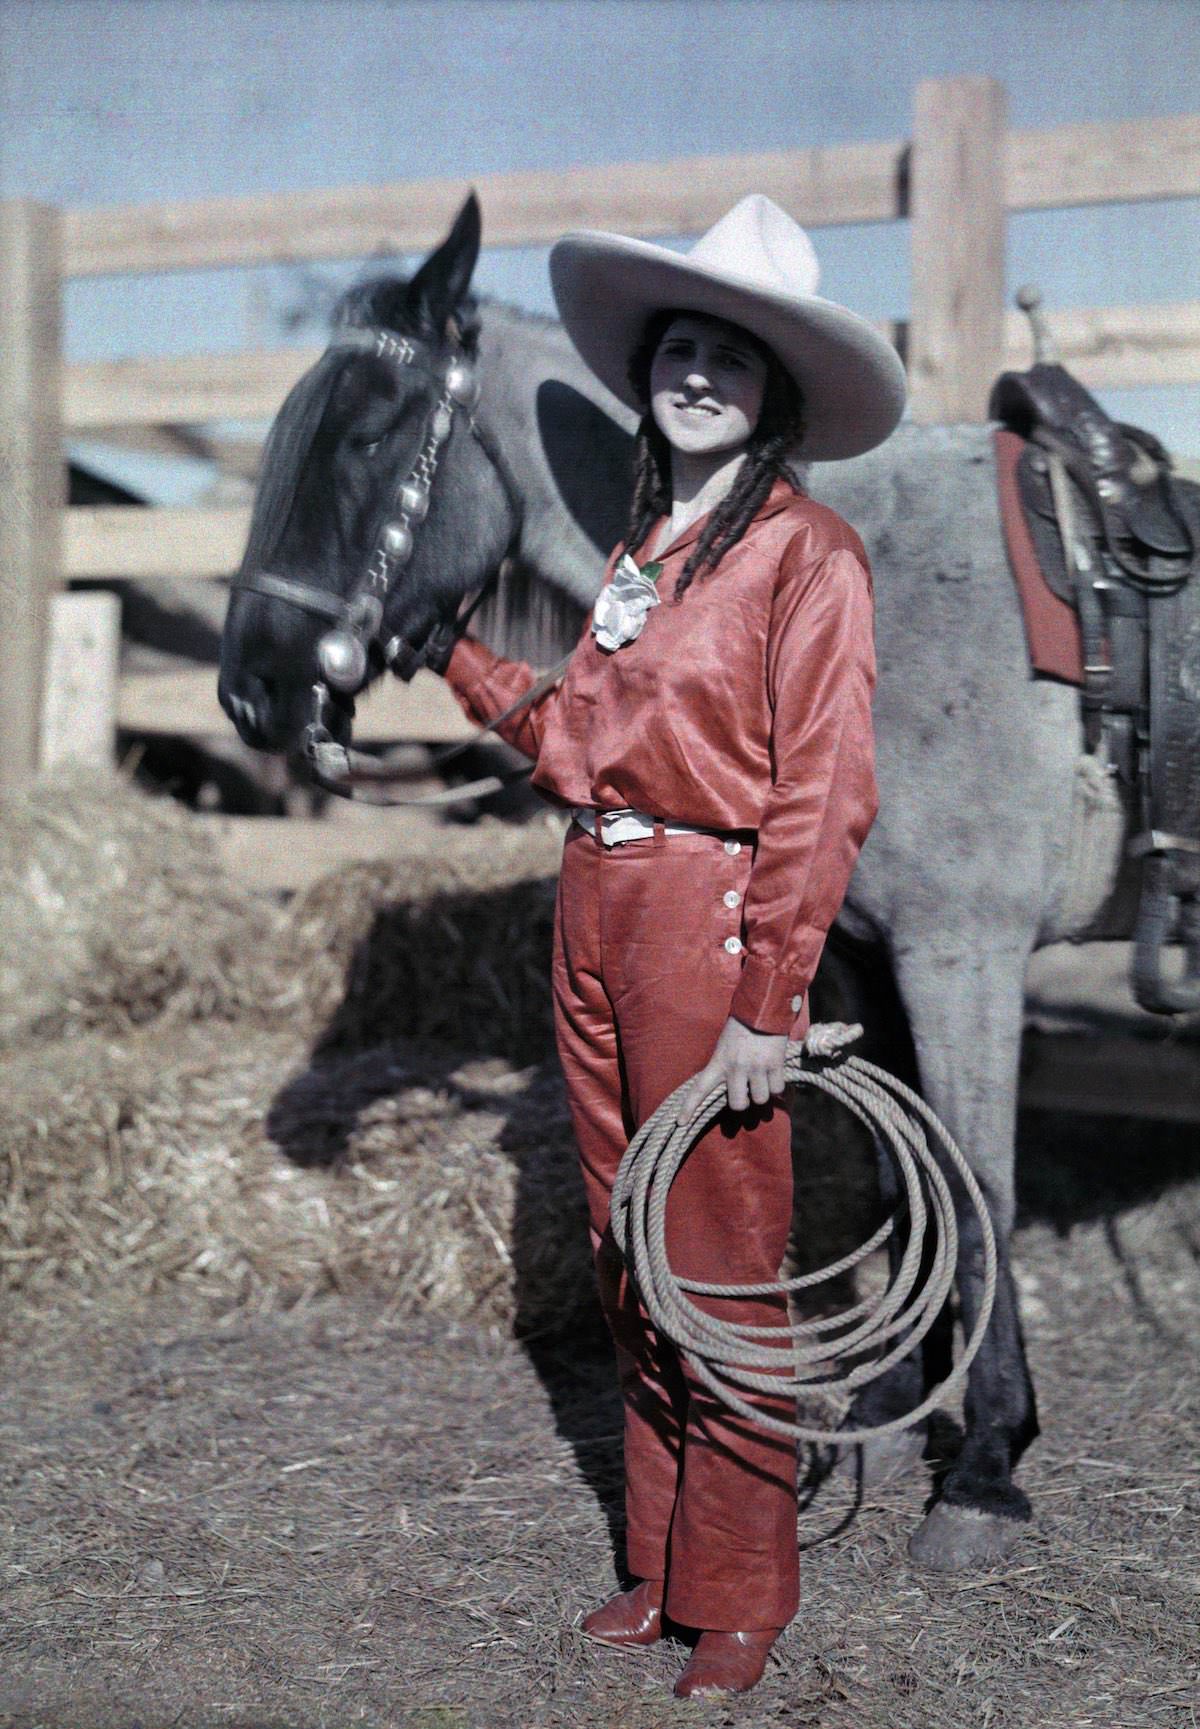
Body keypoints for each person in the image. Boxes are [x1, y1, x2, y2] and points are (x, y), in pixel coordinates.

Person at [436, 194, 906, 1700]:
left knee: (715, 1255)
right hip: (595, 904)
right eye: (679, 349)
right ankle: (660, 1561)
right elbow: (583, 741)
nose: (697, 374)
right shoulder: (649, 548)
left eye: (731, 358)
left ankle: (743, 1589)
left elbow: (825, 788)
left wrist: (772, 990)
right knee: (630, 1251)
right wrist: (457, 658)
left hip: (706, 927)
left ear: (774, 393)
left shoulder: (806, 556)